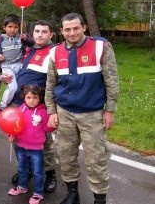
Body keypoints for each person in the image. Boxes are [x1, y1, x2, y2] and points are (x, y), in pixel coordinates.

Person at [45, 13, 119, 204]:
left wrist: (110, 109)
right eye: (67, 29)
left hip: (92, 114)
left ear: (84, 27)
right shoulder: (54, 52)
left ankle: (99, 199)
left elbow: (112, 80)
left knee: (96, 159)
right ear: (61, 31)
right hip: (64, 113)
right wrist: (51, 111)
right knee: (66, 156)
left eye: (76, 28)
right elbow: (50, 84)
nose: (72, 33)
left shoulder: (101, 47)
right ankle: (72, 194)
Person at [0, 20, 58, 193]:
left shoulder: (53, 52)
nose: (40, 34)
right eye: (37, 31)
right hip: (22, 103)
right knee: (22, 138)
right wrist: (7, 79)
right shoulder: (29, 50)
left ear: (51, 34)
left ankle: (49, 173)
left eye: (44, 31)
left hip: (39, 106)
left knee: (44, 142)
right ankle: (29, 170)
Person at [7, 85, 55, 204]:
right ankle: (22, 187)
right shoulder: (19, 110)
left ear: (40, 98)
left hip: (36, 149)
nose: (32, 100)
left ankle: (38, 193)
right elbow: (15, 126)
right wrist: (12, 134)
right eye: (29, 97)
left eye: (35, 97)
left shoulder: (43, 112)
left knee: (38, 172)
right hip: (21, 147)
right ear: (24, 98)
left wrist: (52, 125)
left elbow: (46, 128)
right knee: (22, 169)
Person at [0, 14, 34, 110]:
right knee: (12, 87)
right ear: (4, 27)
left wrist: (26, 39)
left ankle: (22, 106)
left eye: (16, 27)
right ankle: (2, 106)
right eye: (10, 27)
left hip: (20, 65)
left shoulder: (21, 36)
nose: (12, 29)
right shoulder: (0, 38)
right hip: (7, 66)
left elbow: (32, 43)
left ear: (19, 28)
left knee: (22, 86)